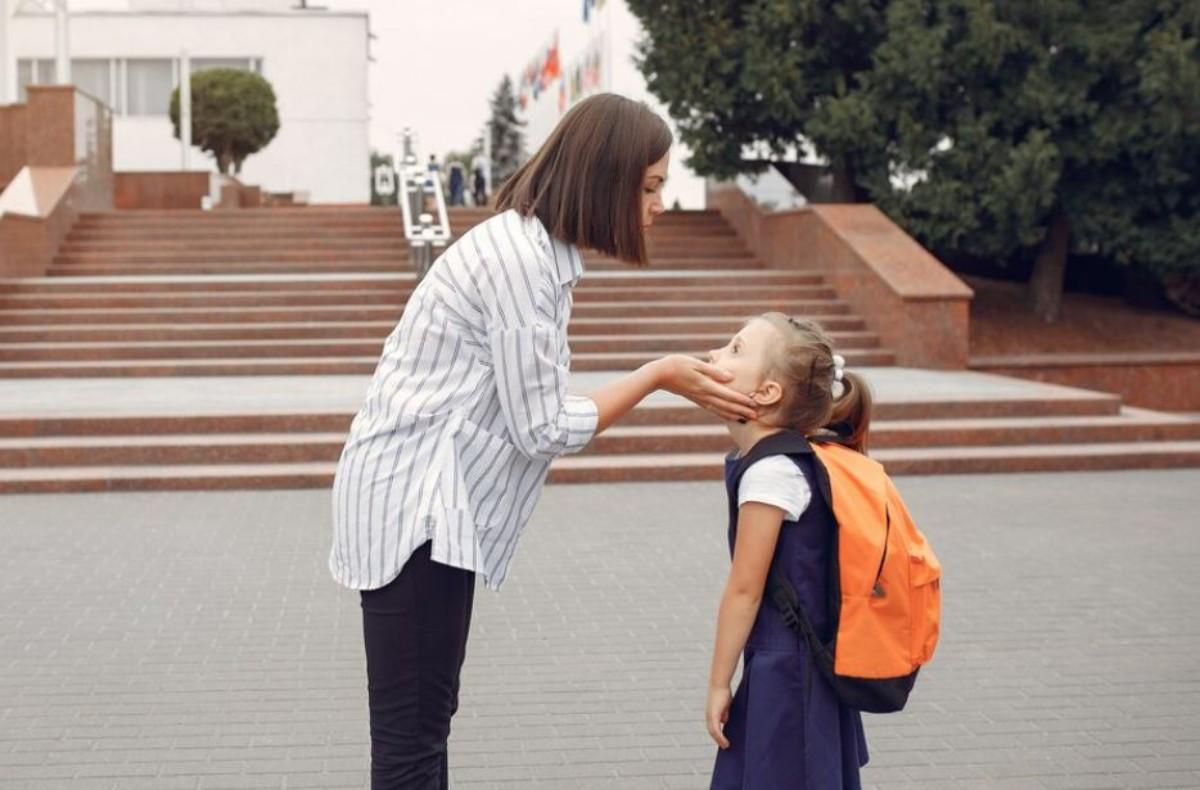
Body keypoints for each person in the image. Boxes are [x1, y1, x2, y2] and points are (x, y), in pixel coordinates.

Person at [330, 93, 759, 790]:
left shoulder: (536, 255)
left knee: (425, 722)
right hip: (416, 510)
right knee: (411, 740)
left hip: (436, 511)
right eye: (649, 187)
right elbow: (543, 428)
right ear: (604, 178)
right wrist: (657, 374)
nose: (657, 205)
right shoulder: (520, 262)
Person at [704, 314, 872, 790]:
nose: (715, 355)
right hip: (798, 663)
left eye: (735, 349)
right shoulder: (783, 459)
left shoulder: (771, 473)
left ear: (767, 393)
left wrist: (719, 683)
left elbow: (744, 590)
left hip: (789, 671)